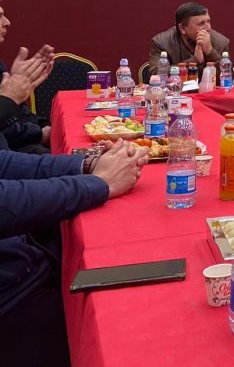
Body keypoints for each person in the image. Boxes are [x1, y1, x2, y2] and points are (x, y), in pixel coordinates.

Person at [0, 44, 149, 367]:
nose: (7, 21)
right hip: (14, 295)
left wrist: (87, 164)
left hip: (25, 260)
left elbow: (5, 163)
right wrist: (99, 184)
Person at [0, 0, 51, 154]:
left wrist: (44, 126)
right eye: (0, 16)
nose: (7, 22)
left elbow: (21, 112)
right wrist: (40, 134)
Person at [149, 2, 229, 76]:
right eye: (201, 23)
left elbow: (227, 76)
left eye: (208, 21)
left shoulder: (221, 42)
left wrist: (210, 52)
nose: (208, 28)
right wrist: (194, 60)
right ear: (182, 28)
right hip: (177, 87)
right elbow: (155, 74)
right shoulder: (161, 42)